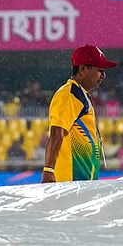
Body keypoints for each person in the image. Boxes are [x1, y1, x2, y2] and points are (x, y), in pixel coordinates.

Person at [42, 43, 118, 183]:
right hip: (70, 181)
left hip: (80, 181)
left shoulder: (81, 94)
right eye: (100, 70)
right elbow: (56, 132)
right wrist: (49, 170)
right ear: (82, 69)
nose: (104, 75)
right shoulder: (70, 94)